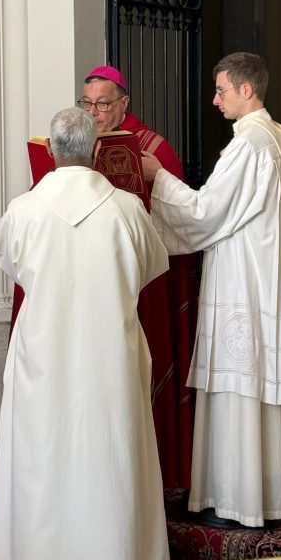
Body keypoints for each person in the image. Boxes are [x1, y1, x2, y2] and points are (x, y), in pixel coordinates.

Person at [0, 107, 171, 560]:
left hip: (43, 355)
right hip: (108, 358)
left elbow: (11, 266)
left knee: (42, 461)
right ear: (95, 152)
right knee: (109, 459)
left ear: (50, 151)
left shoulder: (23, 208)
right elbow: (152, 267)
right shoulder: (127, 208)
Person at [144, 52, 281, 528]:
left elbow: (205, 213)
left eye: (221, 91)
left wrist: (160, 178)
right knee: (250, 383)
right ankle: (264, 494)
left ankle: (240, 501)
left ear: (246, 90)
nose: (215, 100)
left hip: (245, 282)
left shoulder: (249, 145)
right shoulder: (266, 139)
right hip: (255, 275)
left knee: (240, 381)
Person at [77, 65, 197, 490]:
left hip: (143, 280)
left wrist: (153, 182)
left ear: (124, 104)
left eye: (103, 103)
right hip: (92, 278)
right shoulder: (76, 145)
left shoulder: (153, 149)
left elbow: (179, 221)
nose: (94, 112)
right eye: (87, 103)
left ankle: (157, 472)